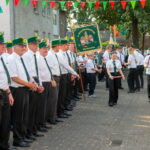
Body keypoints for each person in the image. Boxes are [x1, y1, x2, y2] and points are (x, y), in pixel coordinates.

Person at [8, 38, 37, 147]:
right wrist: (28, 84)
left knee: (25, 114)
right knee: (18, 116)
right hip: (17, 90)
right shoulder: (11, 59)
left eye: (24, 46)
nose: (23, 48)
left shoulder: (21, 58)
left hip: (25, 89)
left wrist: (32, 83)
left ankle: (23, 136)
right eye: (21, 46)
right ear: (15, 47)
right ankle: (17, 139)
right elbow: (14, 77)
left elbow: (27, 72)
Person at [23, 36, 45, 139]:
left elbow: (38, 71)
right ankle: (28, 132)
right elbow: (28, 72)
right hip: (31, 83)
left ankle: (34, 129)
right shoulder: (26, 55)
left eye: (37, 44)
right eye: (35, 44)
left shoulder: (36, 55)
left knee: (36, 108)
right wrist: (35, 85)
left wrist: (40, 84)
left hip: (36, 81)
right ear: (30, 45)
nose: (37, 46)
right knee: (30, 110)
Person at [0, 33, 16, 150]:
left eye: (3, 45)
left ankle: (4, 145)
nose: (3, 47)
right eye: (1, 45)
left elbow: (5, 79)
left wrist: (9, 93)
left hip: (5, 93)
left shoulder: (2, 59)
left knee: (6, 121)